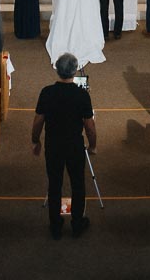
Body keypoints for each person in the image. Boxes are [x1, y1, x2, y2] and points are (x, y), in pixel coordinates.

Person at [31, 52, 97, 241]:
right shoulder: (81, 95)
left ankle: (55, 226)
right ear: (75, 71)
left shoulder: (47, 92)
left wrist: (35, 141)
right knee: (78, 184)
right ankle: (77, 223)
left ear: (58, 71)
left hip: (53, 145)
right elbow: (89, 126)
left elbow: (38, 121)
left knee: (54, 184)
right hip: (74, 145)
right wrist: (93, 146)